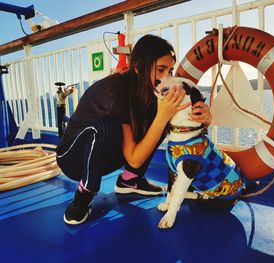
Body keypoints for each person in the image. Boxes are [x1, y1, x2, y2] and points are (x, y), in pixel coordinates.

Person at [56, 34, 212, 225]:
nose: (167, 78)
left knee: (160, 121)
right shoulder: (114, 92)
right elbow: (134, 158)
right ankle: (84, 195)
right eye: (160, 70)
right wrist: (162, 116)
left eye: (170, 71)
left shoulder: (150, 89)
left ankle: (130, 180)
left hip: (102, 157)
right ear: (138, 68)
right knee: (108, 126)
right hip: (73, 159)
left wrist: (203, 117)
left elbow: (175, 122)